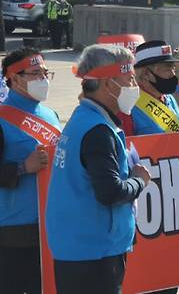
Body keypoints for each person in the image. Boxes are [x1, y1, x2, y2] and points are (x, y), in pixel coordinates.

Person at [46, 44, 151, 294]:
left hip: (78, 246)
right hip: (94, 251)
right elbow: (110, 192)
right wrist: (139, 180)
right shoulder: (97, 130)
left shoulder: (83, 118)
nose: (134, 87)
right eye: (129, 79)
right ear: (107, 84)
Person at [0, 48, 60, 294]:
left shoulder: (51, 115)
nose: (43, 79)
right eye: (35, 74)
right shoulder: (2, 119)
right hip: (13, 230)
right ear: (14, 78)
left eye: (45, 73)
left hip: (50, 224)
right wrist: (24, 167)